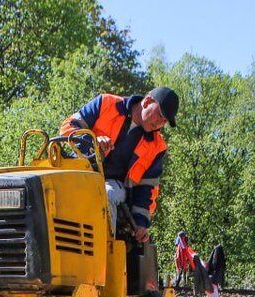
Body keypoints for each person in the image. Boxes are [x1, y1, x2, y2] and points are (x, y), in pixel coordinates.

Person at [60, 86, 178, 244]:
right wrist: (93, 141)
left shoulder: (157, 146)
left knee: (106, 194)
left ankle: (104, 254)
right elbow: (68, 126)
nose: (160, 123)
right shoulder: (105, 103)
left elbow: (147, 188)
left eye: (165, 121)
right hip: (80, 173)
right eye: (160, 115)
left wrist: (141, 224)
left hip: (114, 185)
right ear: (147, 102)